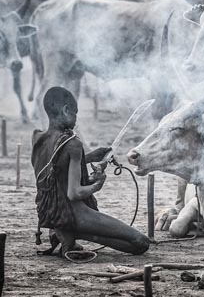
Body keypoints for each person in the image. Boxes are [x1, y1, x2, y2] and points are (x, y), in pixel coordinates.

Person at [32, 86, 150, 257]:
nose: (75, 120)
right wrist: (98, 184)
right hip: (72, 214)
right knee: (141, 243)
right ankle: (73, 232)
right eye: (75, 114)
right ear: (66, 110)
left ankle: (63, 232)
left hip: (49, 214)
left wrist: (88, 158)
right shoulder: (72, 144)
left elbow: (55, 169)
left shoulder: (38, 138)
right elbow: (74, 193)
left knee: (132, 239)